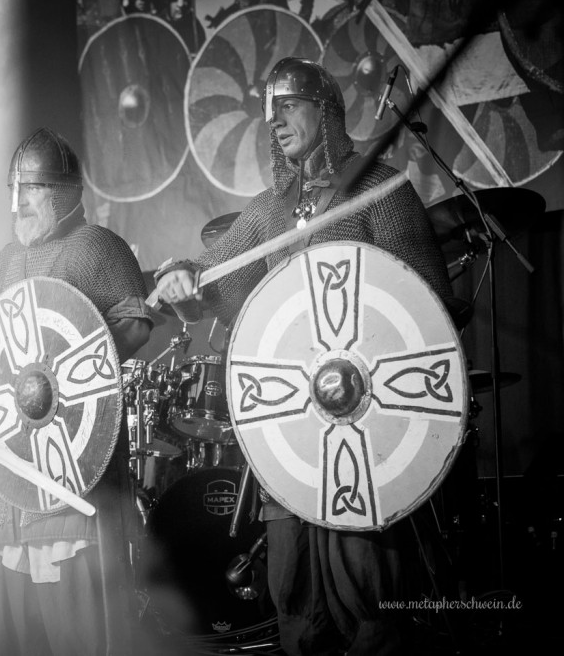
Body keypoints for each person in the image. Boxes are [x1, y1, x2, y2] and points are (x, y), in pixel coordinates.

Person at [155, 57, 454, 656]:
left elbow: (428, 307)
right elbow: (216, 287)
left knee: (367, 601)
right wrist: (183, 280)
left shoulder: (379, 190)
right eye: (272, 112)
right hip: (292, 431)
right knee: (294, 601)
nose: (277, 121)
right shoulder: (268, 212)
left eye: (290, 106)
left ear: (327, 112)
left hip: (364, 427)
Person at [0, 127, 153, 656]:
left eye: (32, 190)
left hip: (74, 468)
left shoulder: (96, 248)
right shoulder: (7, 261)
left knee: (81, 630)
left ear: (63, 193)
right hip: (15, 478)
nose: (17, 203)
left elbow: (134, 323)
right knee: (16, 635)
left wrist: (71, 372)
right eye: (14, 190)